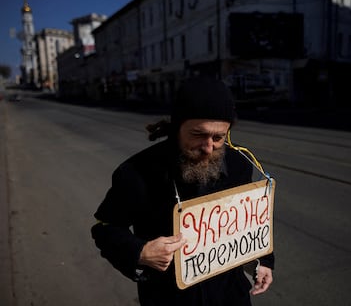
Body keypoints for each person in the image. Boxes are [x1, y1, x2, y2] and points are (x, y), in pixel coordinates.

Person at [91, 76, 274, 306]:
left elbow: (252, 222)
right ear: (177, 126)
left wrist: (263, 261)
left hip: (231, 296)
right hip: (170, 299)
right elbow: (105, 227)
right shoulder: (137, 172)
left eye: (218, 137)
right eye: (198, 134)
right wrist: (140, 251)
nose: (208, 148)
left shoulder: (240, 165)